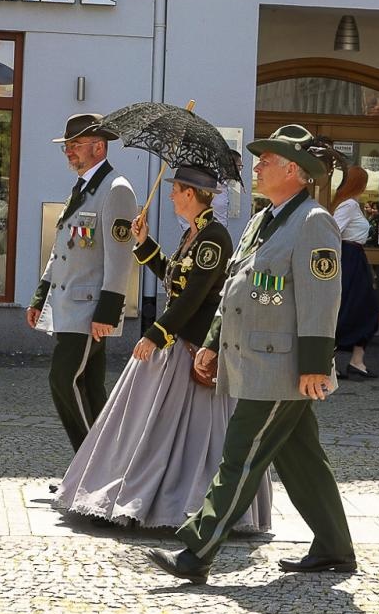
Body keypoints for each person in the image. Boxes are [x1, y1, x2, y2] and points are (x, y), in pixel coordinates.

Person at [148, 126, 354, 585]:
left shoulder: (313, 221)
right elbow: (236, 289)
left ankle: (196, 553)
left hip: (283, 366)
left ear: (294, 171)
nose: (257, 166)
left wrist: (314, 366)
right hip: (258, 358)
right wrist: (212, 342)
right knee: (301, 458)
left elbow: (323, 299)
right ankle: (335, 548)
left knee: (240, 455)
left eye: (267, 160)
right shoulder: (265, 219)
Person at [54, 167, 271, 532]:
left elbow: (193, 297)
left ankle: (179, 503)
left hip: (190, 347)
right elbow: (173, 276)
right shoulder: (194, 233)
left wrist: (156, 334)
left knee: (192, 433)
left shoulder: (214, 238)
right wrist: (143, 243)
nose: (170, 196)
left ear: (190, 194)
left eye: (176, 190)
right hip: (175, 343)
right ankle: (142, 494)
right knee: (150, 425)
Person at [27, 114, 138, 450]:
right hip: (68, 306)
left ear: (98, 146)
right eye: (67, 146)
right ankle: (101, 467)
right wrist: (39, 297)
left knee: (63, 379)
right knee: (89, 387)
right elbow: (62, 250)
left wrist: (108, 311)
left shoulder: (116, 190)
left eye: (74, 145)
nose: (68, 152)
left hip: (89, 310)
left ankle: (89, 466)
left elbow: (120, 258)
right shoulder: (84, 187)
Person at [331, 164, 379, 380]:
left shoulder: (350, 203)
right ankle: (341, 361)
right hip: (349, 257)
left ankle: (356, 360)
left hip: (353, 256)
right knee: (353, 306)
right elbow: (334, 231)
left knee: (359, 306)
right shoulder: (349, 205)